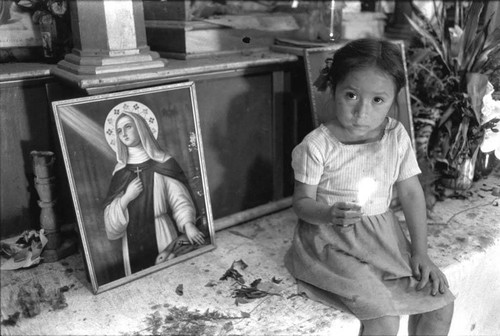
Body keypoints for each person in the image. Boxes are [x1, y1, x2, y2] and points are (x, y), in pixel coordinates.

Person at [285, 38, 455, 335]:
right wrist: (328, 214)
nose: (362, 111)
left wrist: (420, 252)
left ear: (394, 100)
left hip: (383, 240)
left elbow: (412, 193)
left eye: (378, 100)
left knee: (439, 302)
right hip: (332, 242)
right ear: (333, 88)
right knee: (383, 318)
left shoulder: (396, 136)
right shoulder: (317, 146)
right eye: (351, 95)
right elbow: (301, 204)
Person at [103, 111, 205, 276]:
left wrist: (188, 224)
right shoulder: (120, 171)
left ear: (141, 128)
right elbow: (110, 224)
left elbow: (179, 199)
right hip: (131, 240)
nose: (124, 133)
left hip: (162, 232)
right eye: (119, 130)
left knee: (171, 276)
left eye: (128, 127)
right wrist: (126, 198)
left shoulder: (163, 162)